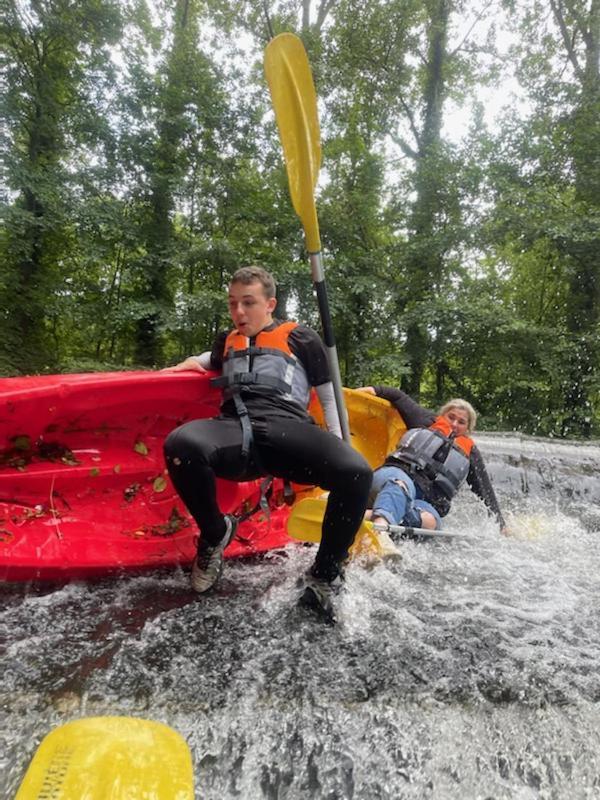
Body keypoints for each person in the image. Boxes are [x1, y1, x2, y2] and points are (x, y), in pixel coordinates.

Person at [164, 266, 372, 621]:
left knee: (356, 473)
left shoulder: (300, 337)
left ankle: (324, 575)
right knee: (180, 445)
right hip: (236, 434)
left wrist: (339, 447)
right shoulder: (226, 339)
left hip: (288, 432)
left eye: (248, 303)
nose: (239, 312)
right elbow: (211, 361)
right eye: (232, 304)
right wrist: (188, 363)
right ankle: (216, 533)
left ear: (270, 303)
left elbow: (328, 397)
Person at [356, 386, 507, 537]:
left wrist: (501, 524)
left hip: (425, 501)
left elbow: (485, 490)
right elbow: (398, 397)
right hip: (396, 476)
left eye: (461, 422)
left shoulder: (471, 453)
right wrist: (373, 390)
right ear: (443, 415)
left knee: (430, 522)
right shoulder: (426, 420)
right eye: (451, 417)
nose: (454, 424)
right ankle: (380, 530)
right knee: (400, 486)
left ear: (468, 428)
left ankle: (368, 515)